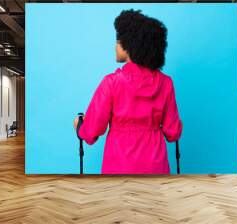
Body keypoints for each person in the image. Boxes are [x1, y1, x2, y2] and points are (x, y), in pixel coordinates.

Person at [74, 9, 182, 174]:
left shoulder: (111, 83)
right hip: (156, 167)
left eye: (118, 40)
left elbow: (91, 132)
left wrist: (80, 125)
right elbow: (173, 133)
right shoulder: (166, 83)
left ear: (130, 45)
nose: (115, 45)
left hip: (118, 166)